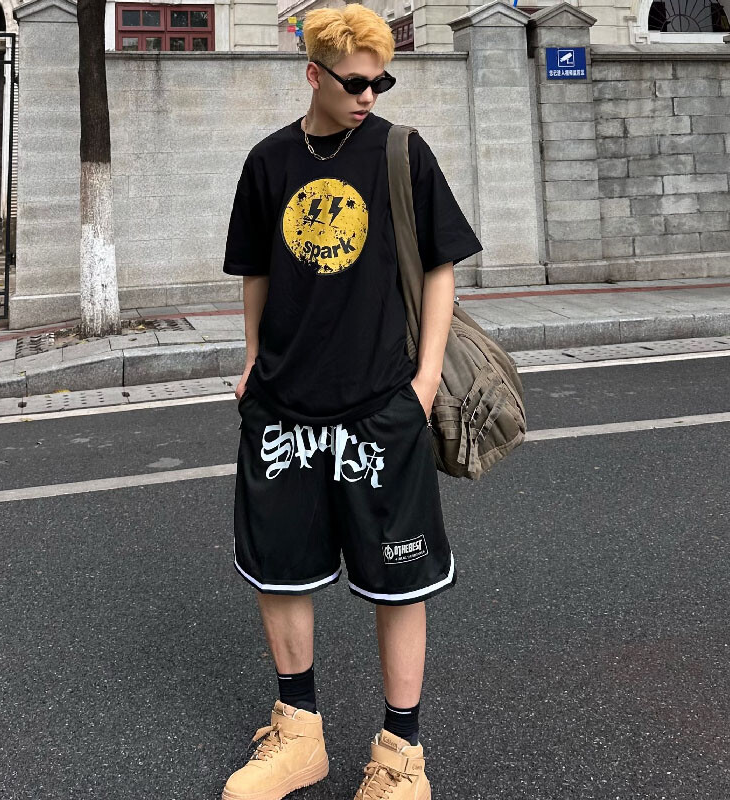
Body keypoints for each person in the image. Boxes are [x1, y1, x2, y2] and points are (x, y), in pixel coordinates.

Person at [220, 4, 482, 798]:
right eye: (355, 82)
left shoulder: (401, 151)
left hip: (379, 402)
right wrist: (252, 359)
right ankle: (299, 735)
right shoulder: (269, 161)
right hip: (284, 405)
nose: (369, 95)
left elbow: (440, 265)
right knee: (281, 570)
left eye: (380, 82)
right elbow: (256, 269)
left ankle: (402, 757)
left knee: (397, 580)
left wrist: (425, 382)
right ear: (314, 74)